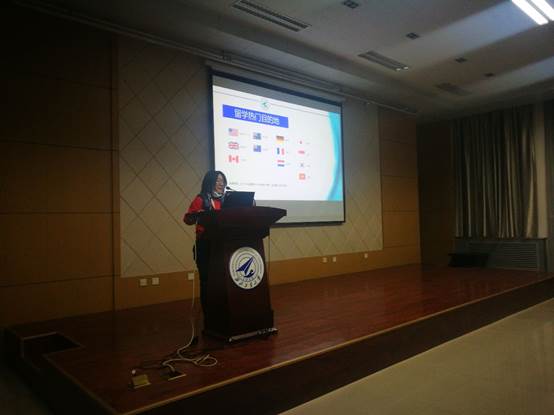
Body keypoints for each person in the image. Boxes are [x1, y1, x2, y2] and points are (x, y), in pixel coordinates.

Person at [184, 170, 227, 324]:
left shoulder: (227, 200)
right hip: (205, 246)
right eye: (218, 180)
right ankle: (209, 314)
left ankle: (222, 310)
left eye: (223, 181)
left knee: (223, 280)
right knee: (207, 281)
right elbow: (187, 219)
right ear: (210, 182)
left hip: (224, 246)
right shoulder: (201, 199)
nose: (221, 183)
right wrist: (198, 215)